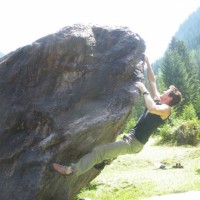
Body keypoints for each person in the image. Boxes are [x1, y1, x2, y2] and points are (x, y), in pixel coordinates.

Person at [52, 55, 182, 176]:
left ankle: (70, 170)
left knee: (99, 151)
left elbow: (152, 108)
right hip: (130, 137)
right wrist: (147, 61)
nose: (163, 91)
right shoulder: (159, 100)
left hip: (134, 143)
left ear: (169, 98)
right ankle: (104, 161)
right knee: (103, 150)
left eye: (167, 92)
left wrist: (144, 90)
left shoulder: (166, 109)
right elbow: (153, 81)